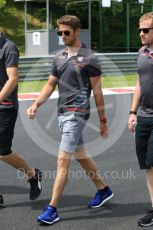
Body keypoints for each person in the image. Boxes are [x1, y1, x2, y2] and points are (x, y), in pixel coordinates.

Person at [27, 15, 113, 225]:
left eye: (66, 32)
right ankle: (103, 190)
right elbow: (49, 85)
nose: (62, 36)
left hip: (77, 113)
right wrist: (36, 103)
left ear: (77, 32)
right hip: (62, 113)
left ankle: (52, 209)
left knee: (62, 160)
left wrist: (103, 120)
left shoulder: (90, 58)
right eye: (60, 33)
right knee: (81, 155)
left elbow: (98, 91)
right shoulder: (58, 57)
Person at [0, 31, 42, 208]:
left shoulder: (8, 48)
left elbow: (13, 78)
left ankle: (32, 175)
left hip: (5, 106)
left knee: (3, 152)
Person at [128, 12, 153, 227]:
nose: (141, 34)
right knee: (148, 165)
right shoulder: (142, 52)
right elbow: (139, 83)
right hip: (143, 116)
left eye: (146, 30)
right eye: (140, 30)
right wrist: (132, 113)